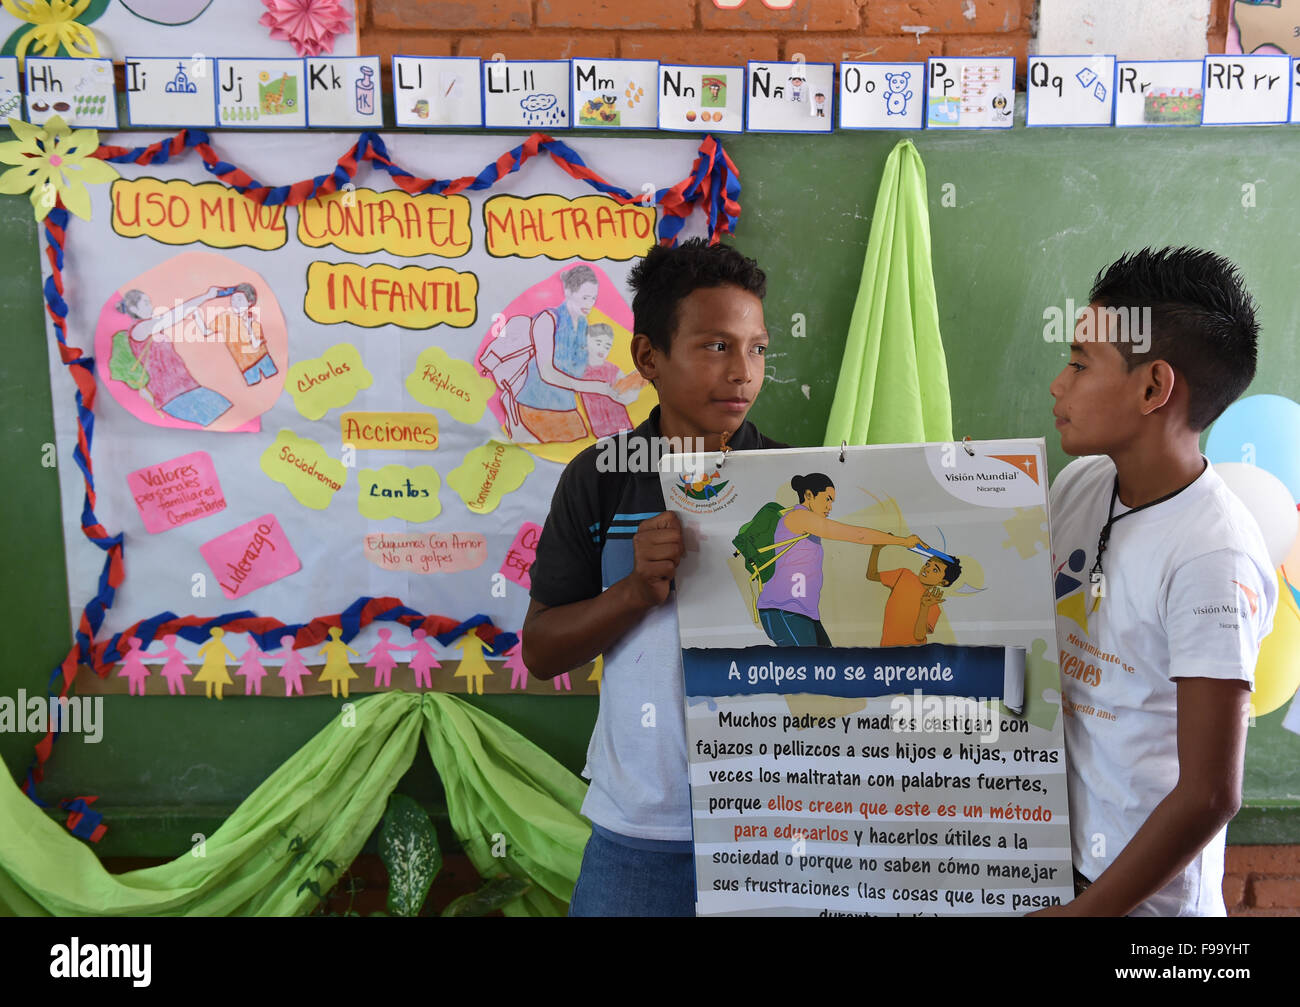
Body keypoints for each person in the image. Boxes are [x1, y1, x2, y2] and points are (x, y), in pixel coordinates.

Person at [522, 238, 786, 917]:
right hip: (640, 828)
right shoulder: (597, 479)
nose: (743, 372)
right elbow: (544, 650)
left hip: (775, 818)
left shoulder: (797, 480)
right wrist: (634, 591)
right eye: (716, 346)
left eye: (757, 348)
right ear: (649, 359)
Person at [1037, 247, 1277, 917]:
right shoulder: (1081, 485)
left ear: (1153, 387)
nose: (1059, 383)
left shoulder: (1213, 555)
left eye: (1081, 362)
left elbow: (1209, 793)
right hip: (1065, 867)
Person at [756, 473, 922, 647]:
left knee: (828, 670)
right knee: (808, 669)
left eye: (832, 502)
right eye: (827, 499)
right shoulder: (798, 517)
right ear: (808, 495)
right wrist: (903, 541)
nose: (829, 507)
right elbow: (858, 535)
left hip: (804, 612)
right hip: (784, 609)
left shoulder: (809, 525)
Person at [513, 264, 634, 443]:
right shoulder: (548, 319)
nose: (589, 304)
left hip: (567, 405)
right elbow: (547, 372)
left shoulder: (583, 324)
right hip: (536, 404)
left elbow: (585, 366)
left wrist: (621, 381)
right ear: (568, 291)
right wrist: (596, 387)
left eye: (593, 298)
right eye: (585, 297)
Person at [109, 286, 233, 427]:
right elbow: (174, 315)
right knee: (222, 420)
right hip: (171, 395)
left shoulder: (152, 328)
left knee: (224, 414)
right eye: (145, 303)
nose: (151, 306)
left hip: (187, 387)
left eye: (149, 302)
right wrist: (206, 296)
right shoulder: (140, 329)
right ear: (135, 310)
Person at [867, 544, 961, 647]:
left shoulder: (933, 607)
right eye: (928, 564)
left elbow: (919, 636)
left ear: (943, 582)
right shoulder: (903, 575)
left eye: (935, 570)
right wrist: (876, 549)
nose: (927, 569)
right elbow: (871, 575)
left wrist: (925, 607)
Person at [206, 282, 278, 386]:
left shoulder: (255, 325)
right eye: (233, 300)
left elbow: (255, 345)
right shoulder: (225, 318)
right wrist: (196, 316)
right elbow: (206, 331)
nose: (235, 303)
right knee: (255, 389)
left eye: (239, 299)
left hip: (263, 358)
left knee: (273, 382)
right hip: (246, 366)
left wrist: (249, 327)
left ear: (249, 302)